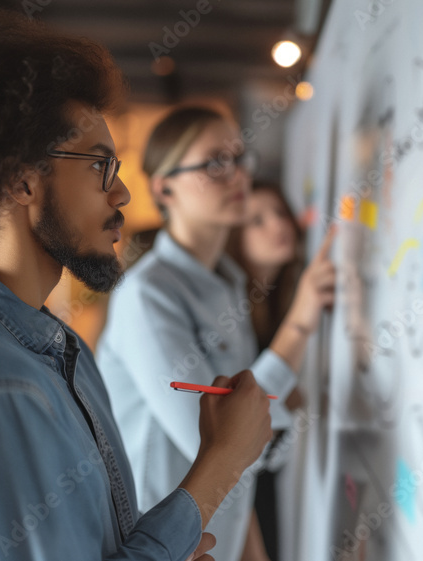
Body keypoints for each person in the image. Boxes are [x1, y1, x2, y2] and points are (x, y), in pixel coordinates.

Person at [0, 11, 272, 560]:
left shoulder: (49, 344)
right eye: (100, 166)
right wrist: (223, 460)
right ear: (20, 180)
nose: (121, 193)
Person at [96, 106, 336, 561]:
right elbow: (220, 443)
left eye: (240, 158)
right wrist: (301, 320)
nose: (239, 175)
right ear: (164, 188)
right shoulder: (146, 295)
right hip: (161, 548)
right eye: (215, 163)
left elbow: (238, 473)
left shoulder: (227, 282)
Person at [225, 182, 307, 561]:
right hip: (242, 485)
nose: (278, 224)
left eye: (281, 212)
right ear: (235, 239)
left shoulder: (282, 298)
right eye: (257, 220)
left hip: (268, 478)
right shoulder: (231, 315)